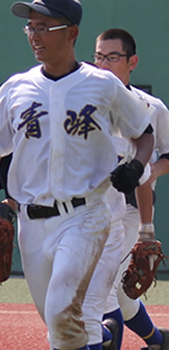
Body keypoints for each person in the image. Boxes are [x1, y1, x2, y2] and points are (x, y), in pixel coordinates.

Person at [0, 0, 154, 350]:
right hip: (31, 224)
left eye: (44, 27)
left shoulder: (103, 85)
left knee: (60, 311)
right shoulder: (16, 87)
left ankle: (92, 334)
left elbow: (144, 133)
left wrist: (135, 165)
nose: (34, 36)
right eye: (31, 28)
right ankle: (98, 336)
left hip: (86, 216)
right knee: (59, 326)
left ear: (72, 33)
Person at [93, 28, 169, 350]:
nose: (104, 63)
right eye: (99, 56)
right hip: (88, 207)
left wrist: (148, 170)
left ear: (132, 61)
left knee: (108, 292)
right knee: (122, 297)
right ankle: (158, 340)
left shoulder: (151, 107)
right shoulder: (85, 102)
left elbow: (167, 154)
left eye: (113, 57)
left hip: (130, 209)